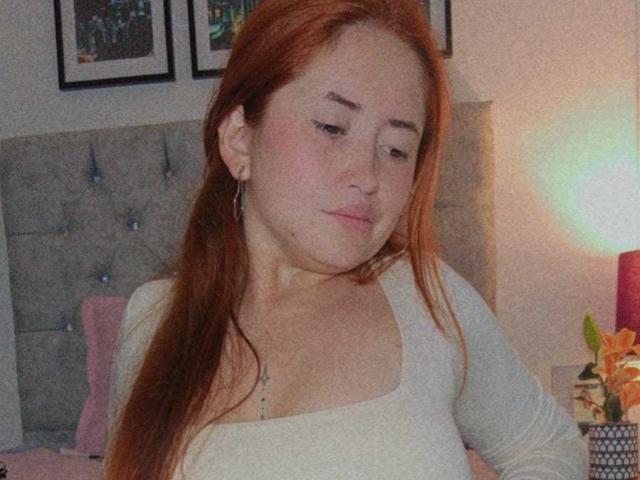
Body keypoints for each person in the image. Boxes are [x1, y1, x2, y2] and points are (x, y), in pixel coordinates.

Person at [103, 0, 588, 478]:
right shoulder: (154, 322)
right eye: (332, 127)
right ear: (239, 139)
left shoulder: (428, 300)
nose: (367, 175)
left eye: (396, 149)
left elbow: (550, 447)